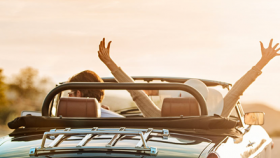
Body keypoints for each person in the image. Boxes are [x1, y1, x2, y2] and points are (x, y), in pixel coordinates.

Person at [98, 38, 280, 119]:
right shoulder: (215, 118)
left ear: (178, 99)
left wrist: (110, 64)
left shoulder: (158, 117)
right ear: (207, 100)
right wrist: (262, 62)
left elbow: (135, 92)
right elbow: (237, 90)